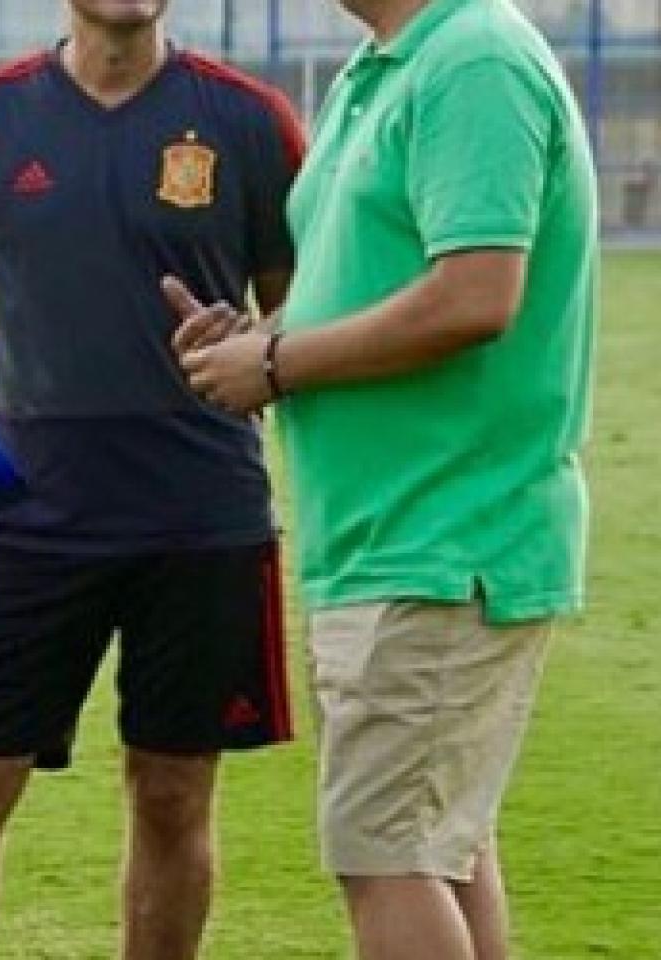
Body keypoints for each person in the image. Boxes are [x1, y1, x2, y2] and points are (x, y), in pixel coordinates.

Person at [169, 0, 598, 957]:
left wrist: (280, 368)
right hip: (392, 538)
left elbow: (476, 295)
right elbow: (389, 284)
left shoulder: (473, 61)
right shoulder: (389, 67)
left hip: (443, 536)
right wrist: (266, 343)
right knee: (439, 848)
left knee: (388, 856)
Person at [0, 2, 306, 956]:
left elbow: (298, 318)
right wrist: (49, 410)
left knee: (171, 794)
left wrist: (254, 349)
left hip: (202, 521)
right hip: (27, 520)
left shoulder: (251, 121)